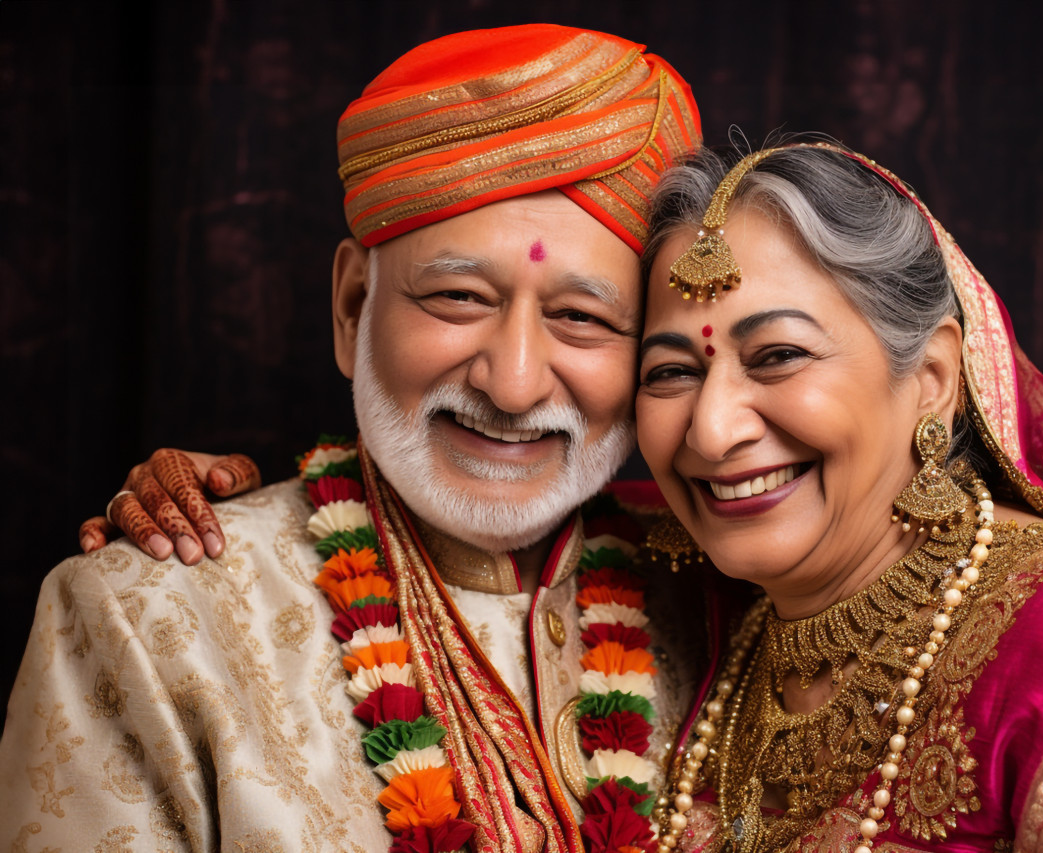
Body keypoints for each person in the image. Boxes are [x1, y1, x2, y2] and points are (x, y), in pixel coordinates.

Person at [0, 24, 711, 853]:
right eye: (458, 298)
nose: (513, 384)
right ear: (350, 308)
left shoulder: (718, 600)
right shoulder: (148, 617)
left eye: (582, 318)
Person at [628, 142, 1043, 852]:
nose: (713, 429)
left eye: (778, 356)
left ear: (934, 379)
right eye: (669, 371)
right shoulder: (699, 632)